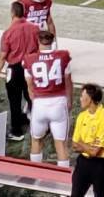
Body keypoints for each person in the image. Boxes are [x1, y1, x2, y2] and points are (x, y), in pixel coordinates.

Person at [24, 27, 72, 168]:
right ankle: (63, 180)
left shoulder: (29, 59)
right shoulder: (63, 56)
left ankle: (35, 173)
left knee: (36, 140)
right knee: (61, 144)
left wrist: (35, 101)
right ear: (52, 41)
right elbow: (68, 81)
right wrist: (69, 101)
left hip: (40, 104)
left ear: (38, 41)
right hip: (58, 102)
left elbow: (30, 86)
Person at [0, 1, 35, 143]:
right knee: (31, 97)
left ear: (12, 13)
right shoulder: (34, 28)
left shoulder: (8, 33)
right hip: (30, 67)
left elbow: (2, 55)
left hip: (14, 69)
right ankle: (38, 124)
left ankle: (16, 130)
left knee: (14, 100)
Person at [68, 83, 104, 196]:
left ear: (90, 99)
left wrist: (82, 144)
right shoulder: (82, 116)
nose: (80, 99)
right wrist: (88, 146)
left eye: (82, 96)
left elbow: (94, 152)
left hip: (99, 166)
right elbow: (74, 145)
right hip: (82, 163)